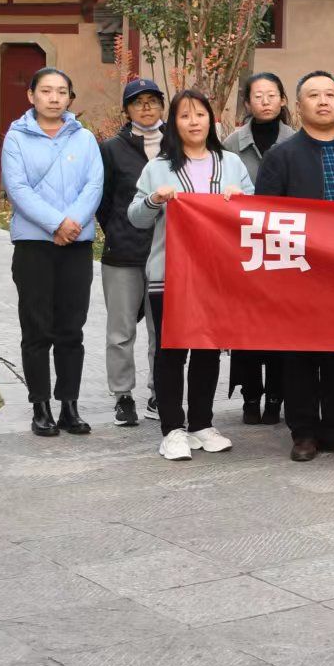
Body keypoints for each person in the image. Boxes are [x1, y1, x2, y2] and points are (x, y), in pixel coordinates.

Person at [128, 88, 250, 461]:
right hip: (169, 276)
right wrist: (154, 200)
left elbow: (253, 216)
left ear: (211, 120)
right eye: (184, 116)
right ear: (174, 123)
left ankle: (201, 423)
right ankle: (172, 429)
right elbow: (135, 217)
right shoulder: (158, 167)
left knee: (208, 350)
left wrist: (241, 200)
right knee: (170, 351)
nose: (193, 122)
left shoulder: (231, 164)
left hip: (216, 276)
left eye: (200, 114)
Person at [255, 71, 334, 462]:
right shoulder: (281, 156)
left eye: (330, 95)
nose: (323, 101)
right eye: (313, 95)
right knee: (299, 354)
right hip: (299, 271)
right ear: (298, 105)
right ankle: (303, 432)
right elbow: (265, 216)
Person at [1, 66, 104, 438]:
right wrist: (56, 224)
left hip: (76, 244)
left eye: (62, 91)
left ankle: (69, 406)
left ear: (70, 98)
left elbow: (94, 184)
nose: (54, 98)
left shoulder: (85, 139)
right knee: (36, 327)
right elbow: (18, 189)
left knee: (71, 328)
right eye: (46, 91)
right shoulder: (15, 138)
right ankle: (40, 406)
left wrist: (72, 224)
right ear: (31, 96)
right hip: (33, 245)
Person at [224, 71, 295, 424]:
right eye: (258, 96)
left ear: (282, 100)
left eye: (272, 95)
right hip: (246, 247)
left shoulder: (296, 141)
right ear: (248, 102)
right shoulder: (230, 144)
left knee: (281, 327)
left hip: (287, 247)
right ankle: (250, 395)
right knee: (247, 326)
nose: (265, 102)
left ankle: (277, 397)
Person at [96, 77, 164, 428]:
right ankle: (122, 395)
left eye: (153, 100)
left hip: (166, 251)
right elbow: (103, 201)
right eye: (138, 102)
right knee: (121, 331)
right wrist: (119, 230)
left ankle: (159, 391)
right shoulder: (111, 148)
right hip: (123, 252)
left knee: (161, 331)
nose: (146, 107)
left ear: (162, 106)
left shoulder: (177, 145)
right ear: (127, 110)